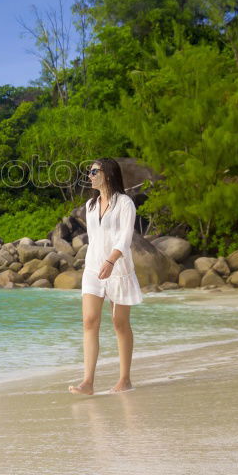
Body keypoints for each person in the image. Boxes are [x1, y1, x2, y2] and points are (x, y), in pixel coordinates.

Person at [69, 157, 143, 395]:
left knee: (119, 323)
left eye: (94, 171)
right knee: (89, 321)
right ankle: (88, 382)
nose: (89, 176)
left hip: (118, 268)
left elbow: (125, 237)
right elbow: (95, 239)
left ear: (108, 174)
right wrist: (99, 262)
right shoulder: (90, 206)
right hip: (93, 268)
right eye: (89, 172)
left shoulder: (125, 203)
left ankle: (125, 379)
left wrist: (111, 260)